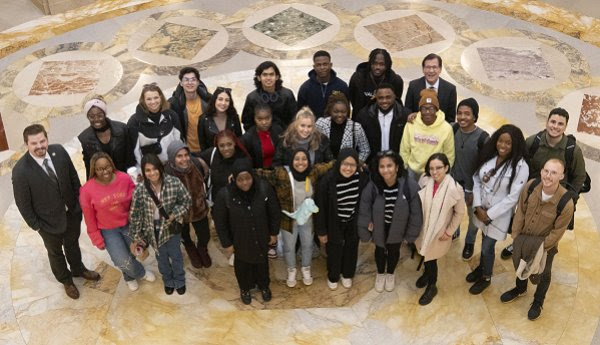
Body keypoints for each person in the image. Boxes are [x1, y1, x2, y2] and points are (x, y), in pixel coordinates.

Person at [12, 124, 100, 299]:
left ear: (47, 139)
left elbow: (73, 177)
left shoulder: (58, 151)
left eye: (42, 141)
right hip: (47, 223)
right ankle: (66, 280)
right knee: (56, 253)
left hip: (71, 213)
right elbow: (23, 204)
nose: (39, 146)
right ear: (26, 144)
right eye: (34, 143)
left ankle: (78, 269)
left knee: (72, 244)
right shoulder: (21, 171)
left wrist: (78, 204)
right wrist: (37, 226)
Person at [501, 107, 587, 259]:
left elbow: (579, 177)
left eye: (560, 124)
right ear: (546, 122)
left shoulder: (572, 151)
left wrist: (570, 199)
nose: (555, 126)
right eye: (552, 121)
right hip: (532, 195)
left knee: (550, 229)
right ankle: (518, 245)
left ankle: (544, 254)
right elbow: (521, 166)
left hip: (555, 200)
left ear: (565, 127)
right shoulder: (532, 142)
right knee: (525, 223)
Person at [499, 158, 574, 321]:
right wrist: (516, 236)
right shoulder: (530, 186)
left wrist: (539, 248)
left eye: (554, 173)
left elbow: (557, 232)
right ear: (541, 171)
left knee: (544, 273)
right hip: (523, 238)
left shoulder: (566, 203)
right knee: (521, 263)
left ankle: (538, 301)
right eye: (546, 171)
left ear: (561, 176)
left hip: (545, 247)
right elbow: (520, 212)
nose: (548, 176)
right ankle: (520, 289)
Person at [256, 149, 333, 288]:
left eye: (304, 159)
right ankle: (291, 269)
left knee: (308, 245)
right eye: (297, 159)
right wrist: (242, 173)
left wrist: (356, 162)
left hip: (308, 219)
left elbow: (330, 165)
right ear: (291, 160)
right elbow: (263, 174)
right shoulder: (282, 174)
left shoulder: (313, 172)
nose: (300, 162)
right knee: (289, 247)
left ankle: (306, 268)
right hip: (288, 219)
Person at [466, 124, 529, 295]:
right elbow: (477, 179)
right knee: (482, 237)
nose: (503, 146)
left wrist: (489, 214)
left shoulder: (521, 167)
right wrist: (478, 206)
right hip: (481, 209)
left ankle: (486, 277)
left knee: (487, 246)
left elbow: (513, 197)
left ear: (515, 145)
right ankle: (480, 268)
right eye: (500, 141)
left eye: (508, 143)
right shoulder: (489, 156)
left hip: (498, 215)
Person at [80, 152, 155, 291]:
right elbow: (89, 218)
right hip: (108, 230)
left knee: (135, 252)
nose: (105, 171)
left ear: (112, 165)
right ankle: (138, 273)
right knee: (121, 260)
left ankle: (129, 277)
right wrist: (96, 238)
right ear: (94, 170)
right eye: (100, 169)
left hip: (128, 224)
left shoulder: (124, 178)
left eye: (107, 167)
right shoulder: (87, 190)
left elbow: (136, 201)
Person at [213, 158, 281, 304]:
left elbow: (274, 211)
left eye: (247, 178)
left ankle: (264, 286)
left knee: (262, 264)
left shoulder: (263, 188)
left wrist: (274, 232)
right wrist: (227, 243)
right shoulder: (225, 195)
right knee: (243, 266)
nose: (245, 183)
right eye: (240, 180)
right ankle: (245, 288)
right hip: (240, 240)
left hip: (261, 236)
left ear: (252, 175)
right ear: (234, 179)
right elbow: (220, 222)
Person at [358, 151, 423, 293]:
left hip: (398, 228)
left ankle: (390, 273)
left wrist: (410, 235)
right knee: (380, 250)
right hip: (379, 226)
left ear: (397, 167)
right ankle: (381, 273)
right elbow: (364, 208)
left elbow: (416, 213)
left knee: (394, 251)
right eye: (382, 166)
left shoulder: (409, 186)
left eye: (389, 166)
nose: (386, 170)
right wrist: (366, 226)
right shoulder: (372, 185)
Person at [129, 153, 191, 295]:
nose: (152, 173)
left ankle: (180, 280)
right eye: (148, 170)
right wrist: (136, 237)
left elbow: (186, 201)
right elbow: (135, 215)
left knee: (176, 256)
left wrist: (175, 213)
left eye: (155, 169)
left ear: (160, 168)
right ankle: (168, 281)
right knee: (161, 258)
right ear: (144, 172)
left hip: (171, 227)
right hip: (152, 229)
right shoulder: (140, 190)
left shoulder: (173, 182)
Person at [415, 153, 465, 305]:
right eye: (431, 168)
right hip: (424, 228)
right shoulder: (425, 180)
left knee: (431, 260)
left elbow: (459, 212)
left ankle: (432, 286)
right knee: (425, 254)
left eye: (438, 168)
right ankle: (427, 275)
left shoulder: (455, 188)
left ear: (446, 168)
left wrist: (449, 231)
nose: (434, 172)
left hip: (438, 232)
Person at [316, 149, 370, 290]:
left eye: (352, 165)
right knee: (334, 249)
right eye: (345, 164)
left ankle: (347, 274)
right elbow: (320, 207)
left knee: (351, 247)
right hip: (334, 221)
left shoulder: (362, 178)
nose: (348, 168)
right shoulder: (327, 180)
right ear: (339, 163)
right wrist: (321, 231)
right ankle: (333, 275)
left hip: (353, 220)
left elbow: (368, 200)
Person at [450, 98, 490, 257]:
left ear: (475, 116)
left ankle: (469, 242)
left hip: (473, 188)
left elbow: (485, 168)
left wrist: (471, 190)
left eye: (467, 114)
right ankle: (455, 230)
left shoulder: (483, 138)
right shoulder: (452, 129)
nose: (462, 117)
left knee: (473, 218)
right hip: (453, 183)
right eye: (459, 113)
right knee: (454, 210)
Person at [165, 141, 211, 269]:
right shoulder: (167, 172)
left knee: (204, 234)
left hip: (199, 209)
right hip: (180, 214)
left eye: (186, 155)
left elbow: (205, 180)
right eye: (179, 156)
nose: (184, 159)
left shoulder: (196, 164)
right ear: (172, 157)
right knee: (184, 235)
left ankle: (202, 248)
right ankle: (190, 248)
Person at [400, 88, 454, 181]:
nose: (428, 112)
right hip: (412, 171)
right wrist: (403, 168)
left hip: (434, 173)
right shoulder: (411, 124)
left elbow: (449, 154)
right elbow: (405, 148)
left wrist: (443, 172)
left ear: (436, 109)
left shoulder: (446, 128)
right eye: (424, 108)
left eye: (431, 108)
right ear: (420, 110)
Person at [78, 95, 135, 179]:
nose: (96, 119)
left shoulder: (122, 129)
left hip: (125, 179)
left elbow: (130, 158)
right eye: (91, 116)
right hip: (103, 182)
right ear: (88, 117)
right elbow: (89, 167)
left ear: (104, 113)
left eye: (100, 115)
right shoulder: (85, 138)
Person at [128, 83, 182, 167]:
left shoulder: (171, 115)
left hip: (173, 164)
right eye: (149, 99)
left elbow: (178, 140)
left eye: (156, 97)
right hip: (153, 169)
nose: (153, 102)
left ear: (161, 97)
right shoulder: (134, 122)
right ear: (143, 100)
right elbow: (136, 151)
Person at [354, 83, 410, 163]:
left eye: (388, 97)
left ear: (394, 96)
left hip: (397, 164)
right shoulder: (364, 116)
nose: (384, 101)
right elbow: (358, 143)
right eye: (380, 98)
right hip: (372, 165)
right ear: (375, 98)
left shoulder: (405, 115)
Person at [241, 61, 297, 131]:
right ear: (259, 77)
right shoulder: (252, 98)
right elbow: (247, 123)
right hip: (260, 137)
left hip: (284, 136)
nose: (268, 78)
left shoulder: (287, 95)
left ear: (277, 77)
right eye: (265, 75)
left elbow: (294, 119)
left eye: (271, 74)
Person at [198, 129, 251, 203]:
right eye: (222, 146)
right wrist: (202, 162)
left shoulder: (243, 159)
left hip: (237, 203)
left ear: (234, 143)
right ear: (217, 146)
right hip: (217, 202)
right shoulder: (212, 154)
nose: (226, 149)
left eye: (229, 144)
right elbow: (192, 156)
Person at [316, 93, 370, 162]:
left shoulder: (356, 128)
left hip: (347, 169)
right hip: (325, 169)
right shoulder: (320, 124)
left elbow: (365, 150)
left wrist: (356, 164)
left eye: (343, 112)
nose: (340, 115)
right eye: (336, 112)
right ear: (330, 111)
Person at [349, 48, 404, 117]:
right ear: (370, 63)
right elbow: (353, 101)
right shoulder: (358, 78)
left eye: (382, 64)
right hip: (360, 119)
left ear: (387, 65)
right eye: (374, 63)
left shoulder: (396, 81)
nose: (377, 67)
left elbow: (396, 103)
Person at [405, 53, 457, 124]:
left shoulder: (450, 89)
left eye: (434, 67)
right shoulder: (413, 86)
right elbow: (407, 112)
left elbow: (451, 119)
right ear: (423, 69)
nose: (431, 71)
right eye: (428, 67)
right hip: (418, 130)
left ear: (440, 69)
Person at [168, 67, 211, 152]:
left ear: (198, 82)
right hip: (187, 152)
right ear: (181, 83)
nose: (190, 83)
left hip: (207, 149)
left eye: (193, 79)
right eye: (186, 80)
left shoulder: (208, 101)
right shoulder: (174, 104)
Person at [297, 50, 349, 118]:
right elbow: (301, 113)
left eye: (325, 64)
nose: (322, 67)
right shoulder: (305, 88)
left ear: (330, 65)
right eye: (318, 65)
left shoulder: (342, 86)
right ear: (314, 66)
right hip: (313, 127)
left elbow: (346, 110)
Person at [197, 87, 242, 151]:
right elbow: (203, 144)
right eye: (220, 99)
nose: (223, 103)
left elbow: (239, 139)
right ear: (214, 100)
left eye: (227, 100)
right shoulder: (203, 119)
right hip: (212, 156)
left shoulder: (234, 117)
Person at [241, 103, 283, 169]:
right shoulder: (247, 138)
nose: (264, 122)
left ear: (272, 117)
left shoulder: (278, 130)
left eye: (267, 118)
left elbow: (282, 152)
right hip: (257, 173)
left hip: (277, 170)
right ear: (254, 119)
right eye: (259, 119)